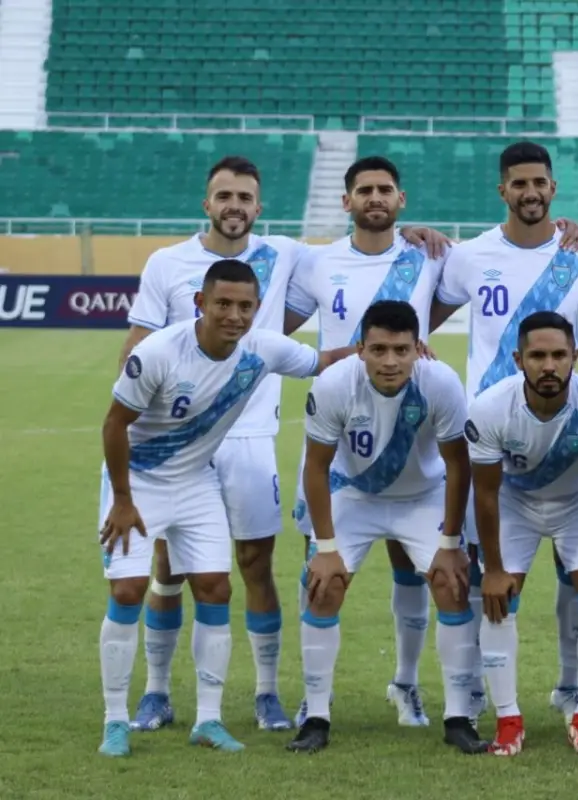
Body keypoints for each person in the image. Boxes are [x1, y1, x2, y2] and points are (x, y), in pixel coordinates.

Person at [118, 156, 449, 733]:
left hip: (251, 435)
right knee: (168, 566)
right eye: (225, 196)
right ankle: (155, 692)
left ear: (258, 206)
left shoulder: (290, 255)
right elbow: (136, 350)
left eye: (245, 197)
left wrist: (409, 239)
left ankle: (269, 694)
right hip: (179, 442)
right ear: (207, 203)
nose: (235, 206)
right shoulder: (167, 263)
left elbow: (357, 272)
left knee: (255, 564)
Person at [96, 259, 353, 758]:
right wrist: (123, 500)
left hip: (195, 483)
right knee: (127, 590)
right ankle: (115, 721)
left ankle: (208, 720)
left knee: (215, 587)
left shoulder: (262, 349)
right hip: (138, 482)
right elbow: (113, 425)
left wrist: (374, 351)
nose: (234, 316)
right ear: (201, 304)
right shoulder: (157, 354)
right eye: (223, 304)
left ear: (257, 309)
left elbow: (321, 362)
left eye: (245, 307)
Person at [432, 141, 578, 723]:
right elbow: (423, 318)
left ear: (553, 188)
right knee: (478, 579)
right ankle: (468, 695)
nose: (530, 192)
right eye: (519, 184)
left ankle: (571, 688)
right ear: (502, 191)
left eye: (539, 182)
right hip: (492, 441)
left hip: (567, 445)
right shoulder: (468, 257)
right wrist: (415, 237)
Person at [284, 155, 451, 729]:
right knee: (321, 576)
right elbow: (280, 326)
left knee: (414, 571)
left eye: (385, 190)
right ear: (346, 200)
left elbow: (442, 306)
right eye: (364, 190)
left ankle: (406, 685)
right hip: (343, 441)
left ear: (401, 200)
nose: (374, 198)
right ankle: (315, 699)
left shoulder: (428, 255)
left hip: (408, 436)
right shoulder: (317, 262)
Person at [291, 300, 487, 754]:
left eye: (401, 350)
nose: (390, 361)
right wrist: (325, 547)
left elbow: (459, 465)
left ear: (419, 348)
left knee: (452, 584)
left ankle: (458, 717)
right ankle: (316, 715)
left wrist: (451, 543)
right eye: (378, 349)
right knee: (325, 585)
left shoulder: (440, 383)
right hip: (353, 493)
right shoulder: (335, 383)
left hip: (422, 495)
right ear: (360, 349)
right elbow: (316, 468)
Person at [464, 311, 578, 756]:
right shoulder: (491, 407)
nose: (549, 365)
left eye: (558, 355)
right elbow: (487, 494)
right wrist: (493, 568)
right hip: (515, 503)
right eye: (538, 356)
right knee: (499, 598)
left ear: (575, 357)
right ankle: (509, 720)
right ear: (518, 359)